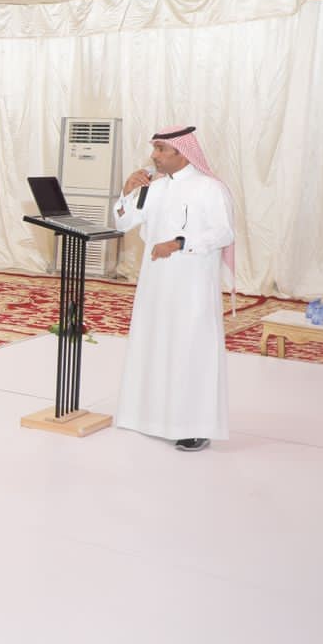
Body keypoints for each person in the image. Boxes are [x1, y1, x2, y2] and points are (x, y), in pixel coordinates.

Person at [113, 125, 236, 452]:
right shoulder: (153, 187)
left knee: (189, 349)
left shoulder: (210, 188)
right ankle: (151, 417)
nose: (153, 155)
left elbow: (224, 233)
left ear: (181, 152)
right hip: (155, 282)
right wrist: (126, 192)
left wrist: (181, 243)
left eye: (160, 149)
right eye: (154, 148)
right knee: (155, 344)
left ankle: (194, 426)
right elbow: (123, 223)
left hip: (192, 283)